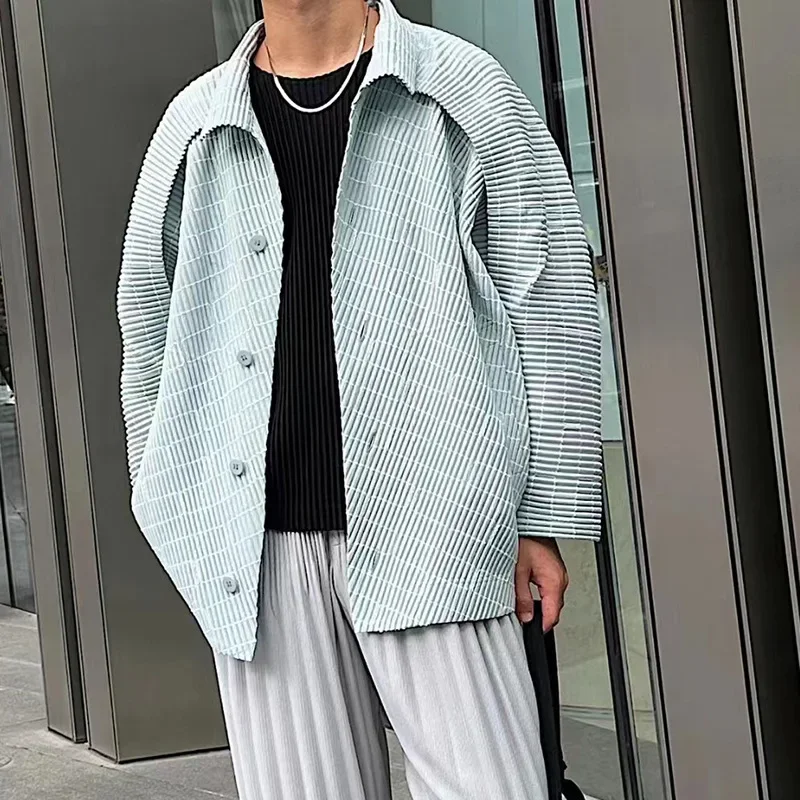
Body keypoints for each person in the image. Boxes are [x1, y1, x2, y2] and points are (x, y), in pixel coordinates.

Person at [116, 1, 602, 798]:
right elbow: (149, 328)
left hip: (437, 530)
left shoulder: (459, 88)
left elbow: (548, 299)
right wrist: (182, 510)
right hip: (257, 555)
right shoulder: (196, 125)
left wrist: (541, 515)